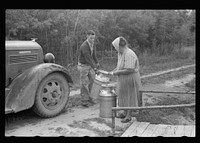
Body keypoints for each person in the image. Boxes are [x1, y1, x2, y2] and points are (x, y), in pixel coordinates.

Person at [109, 36, 142, 123]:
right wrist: (115, 70)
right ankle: (124, 112)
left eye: (115, 47)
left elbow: (129, 69)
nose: (115, 49)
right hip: (123, 80)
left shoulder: (129, 54)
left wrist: (118, 72)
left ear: (119, 46)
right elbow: (120, 65)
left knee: (129, 96)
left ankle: (128, 115)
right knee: (123, 95)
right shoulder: (121, 53)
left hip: (130, 78)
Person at [77, 30, 100, 107]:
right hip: (83, 66)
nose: (92, 40)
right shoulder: (84, 46)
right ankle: (84, 101)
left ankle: (91, 97)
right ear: (87, 36)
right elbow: (88, 58)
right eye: (91, 38)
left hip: (89, 65)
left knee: (93, 81)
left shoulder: (92, 44)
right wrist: (95, 68)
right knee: (84, 83)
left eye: (93, 38)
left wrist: (97, 62)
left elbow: (93, 55)